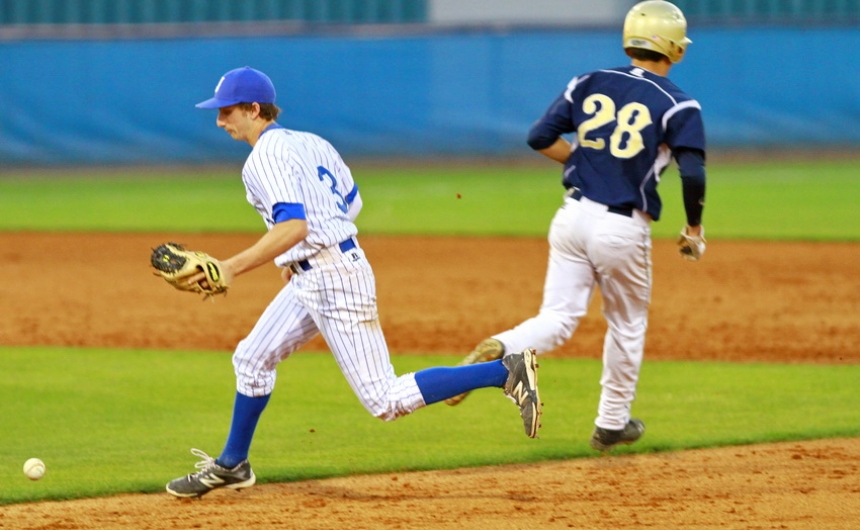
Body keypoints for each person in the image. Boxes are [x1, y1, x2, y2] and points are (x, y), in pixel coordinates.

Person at [164, 66, 541, 498]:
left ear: (254, 109)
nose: (219, 120)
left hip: (333, 280)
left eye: (227, 111)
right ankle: (233, 464)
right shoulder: (313, 142)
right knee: (251, 359)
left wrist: (230, 267)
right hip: (320, 272)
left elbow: (295, 227)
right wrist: (294, 257)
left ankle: (502, 372)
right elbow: (350, 204)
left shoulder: (263, 157)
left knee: (385, 399)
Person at [445, 0, 707, 452]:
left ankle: (501, 345)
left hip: (571, 216)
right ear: (674, 48)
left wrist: (583, 159)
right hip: (621, 227)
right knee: (627, 325)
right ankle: (611, 422)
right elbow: (694, 173)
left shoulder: (589, 81)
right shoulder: (679, 103)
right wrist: (694, 229)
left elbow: (538, 137)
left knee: (557, 319)